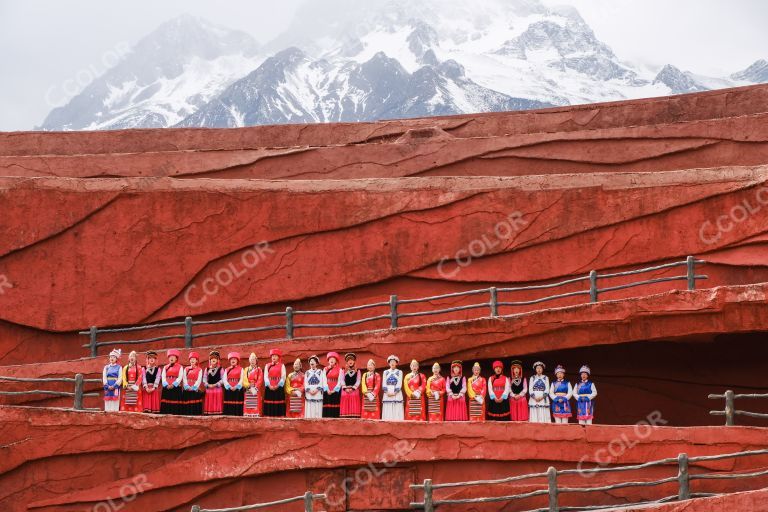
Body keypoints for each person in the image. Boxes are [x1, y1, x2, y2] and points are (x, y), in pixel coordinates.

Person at [262, 348, 286, 417]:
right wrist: (269, 386)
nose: (274, 357)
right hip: (269, 387)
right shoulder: (267, 365)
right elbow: (265, 376)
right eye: (272, 356)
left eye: (275, 356)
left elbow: (283, 377)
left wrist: (277, 386)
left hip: (278, 388)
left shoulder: (282, 365)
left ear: (278, 357)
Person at [222, 352, 246, 416]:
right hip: (229, 389)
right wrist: (229, 386)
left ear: (237, 361)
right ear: (229, 361)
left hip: (238, 389)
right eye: (231, 359)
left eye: (234, 359)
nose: (233, 360)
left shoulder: (241, 369)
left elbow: (242, 379)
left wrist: (237, 386)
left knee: (237, 404)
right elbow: (224, 379)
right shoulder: (227, 369)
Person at [160, 349, 183, 415]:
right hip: (167, 387)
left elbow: (180, 377)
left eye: (173, 357)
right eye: (170, 357)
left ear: (176, 358)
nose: (171, 358)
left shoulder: (180, 367)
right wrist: (166, 385)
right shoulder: (165, 367)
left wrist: (173, 384)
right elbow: (163, 377)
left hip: (175, 388)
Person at [381, 355, 404, 421]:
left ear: (396, 363)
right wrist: (386, 392)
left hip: (396, 393)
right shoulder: (385, 372)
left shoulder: (399, 372)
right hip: (387, 392)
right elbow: (384, 383)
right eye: (391, 362)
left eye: (394, 362)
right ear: (389, 363)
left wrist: (395, 393)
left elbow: (399, 382)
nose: (392, 363)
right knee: (388, 407)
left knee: (396, 407)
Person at [340, 353, 362, 419]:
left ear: (354, 361)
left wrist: (353, 388)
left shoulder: (357, 370)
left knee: (354, 402)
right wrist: (345, 388)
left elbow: (358, 380)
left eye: (352, 360)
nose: (350, 361)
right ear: (347, 361)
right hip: (345, 390)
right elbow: (341, 380)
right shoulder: (343, 370)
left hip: (354, 390)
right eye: (349, 360)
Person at [182, 351, 204, 416]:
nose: (192, 360)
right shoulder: (186, 369)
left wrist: (194, 387)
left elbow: (199, 380)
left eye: (194, 359)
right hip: (187, 388)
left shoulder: (199, 369)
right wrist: (186, 386)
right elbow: (184, 378)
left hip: (195, 389)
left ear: (197, 360)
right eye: (191, 359)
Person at [203, 351, 224, 416]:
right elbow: (204, 378)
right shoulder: (207, 369)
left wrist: (216, 384)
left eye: (215, 358)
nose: (213, 360)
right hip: (209, 389)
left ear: (218, 360)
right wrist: (207, 384)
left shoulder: (221, 369)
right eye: (212, 359)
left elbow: (223, 379)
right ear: (210, 360)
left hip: (217, 389)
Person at [322, 352, 343, 418]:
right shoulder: (325, 369)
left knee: (335, 404)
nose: (331, 360)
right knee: (327, 404)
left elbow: (340, 381)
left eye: (333, 359)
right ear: (328, 360)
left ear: (336, 361)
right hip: (327, 390)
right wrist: (327, 389)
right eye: (330, 359)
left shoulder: (340, 370)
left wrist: (335, 390)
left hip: (335, 390)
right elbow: (324, 380)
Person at [243, 353, 264, 418]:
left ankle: (256, 414)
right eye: (251, 359)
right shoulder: (246, 369)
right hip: (248, 388)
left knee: (255, 403)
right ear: (249, 360)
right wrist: (248, 386)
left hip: (256, 389)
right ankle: (248, 414)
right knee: (248, 403)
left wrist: (255, 388)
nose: (252, 361)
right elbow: (244, 379)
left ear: (256, 361)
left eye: (253, 359)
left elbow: (260, 379)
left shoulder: (259, 369)